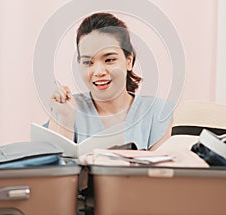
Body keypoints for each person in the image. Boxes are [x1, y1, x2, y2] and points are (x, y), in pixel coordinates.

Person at [49, 12, 173, 150]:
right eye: (88, 62)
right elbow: (54, 168)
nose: (99, 72)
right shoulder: (67, 108)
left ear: (129, 61)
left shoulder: (157, 112)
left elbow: (158, 169)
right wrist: (65, 120)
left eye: (109, 60)